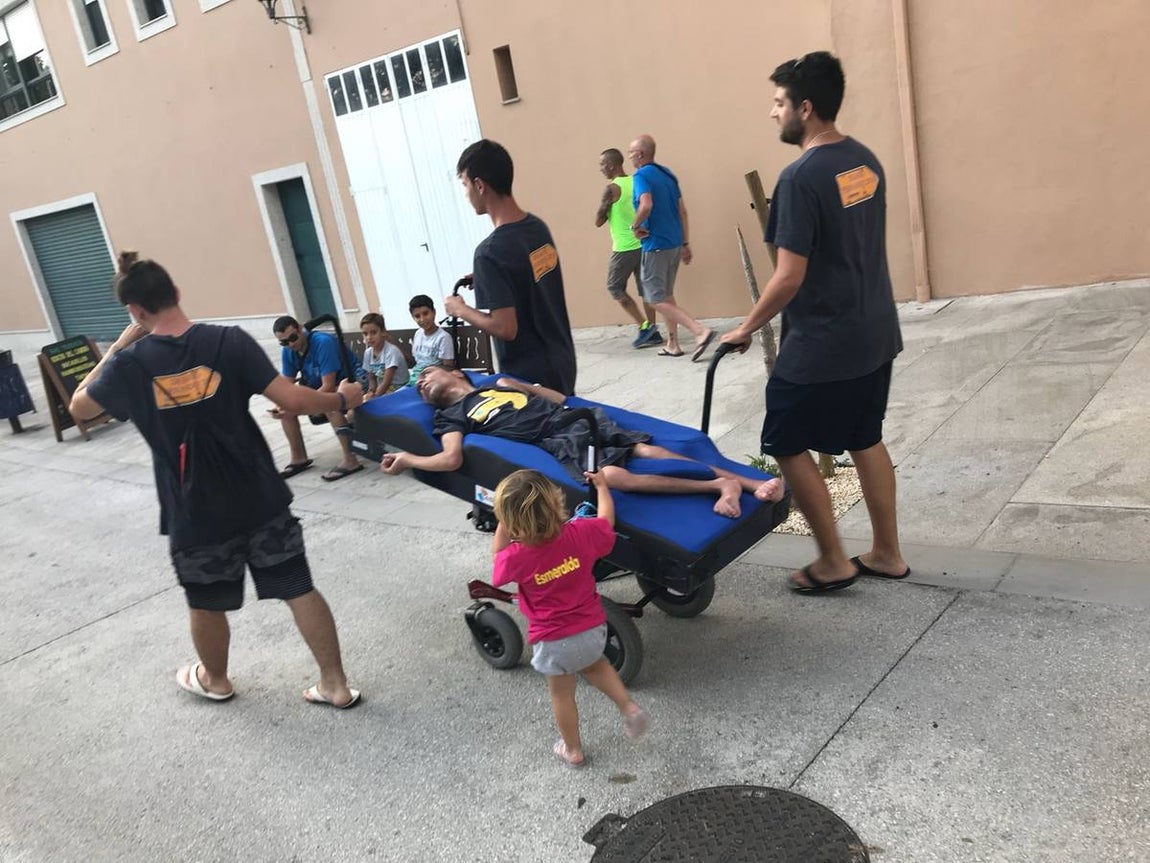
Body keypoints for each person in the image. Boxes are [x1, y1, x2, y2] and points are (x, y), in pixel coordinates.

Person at [69, 252, 362, 708]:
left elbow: (79, 407)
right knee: (296, 585)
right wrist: (340, 395)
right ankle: (335, 683)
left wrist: (115, 348)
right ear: (176, 294)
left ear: (136, 312)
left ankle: (215, 679)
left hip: (195, 509)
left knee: (205, 601)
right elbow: (294, 399)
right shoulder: (230, 342)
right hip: (259, 496)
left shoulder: (130, 366)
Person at [720, 51, 909, 594]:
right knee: (864, 436)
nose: (772, 113)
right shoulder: (863, 161)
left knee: (783, 437)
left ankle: (832, 560)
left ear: (806, 107)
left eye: (779, 102)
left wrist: (746, 327)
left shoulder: (800, 179)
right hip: (875, 328)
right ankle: (888, 553)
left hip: (825, 340)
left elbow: (788, 276)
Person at [380, 366, 784, 519]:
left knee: (648, 450)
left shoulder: (500, 383)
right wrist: (409, 459)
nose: (421, 383)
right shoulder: (449, 417)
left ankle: (746, 482)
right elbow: (451, 460)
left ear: (454, 373)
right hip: (556, 438)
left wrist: (525, 385)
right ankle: (719, 485)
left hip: (573, 419)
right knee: (609, 477)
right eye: (418, 385)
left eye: (426, 375)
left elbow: (559, 399)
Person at [492, 469, 648, 767]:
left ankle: (573, 749)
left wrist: (503, 524)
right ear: (556, 504)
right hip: (592, 629)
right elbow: (606, 522)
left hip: (553, 641)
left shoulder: (516, 557)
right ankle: (629, 708)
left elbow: (497, 566)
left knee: (562, 695)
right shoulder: (580, 534)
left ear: (512, 523)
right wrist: (602, 487)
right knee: (598, 667)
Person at [446, 139, 578, 395]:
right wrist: (489, 280)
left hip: (529, 377)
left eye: (465, 185)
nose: (466, 194)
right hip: (562, 360)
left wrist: (460, 309)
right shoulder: (537, 228)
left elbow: (505, 328)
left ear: (479, 185)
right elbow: (531, 273)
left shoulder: (489, 252)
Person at [628, 134, 716, 361]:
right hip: (674, 243)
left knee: (654, 299)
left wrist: (635, 225)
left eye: (631, 152)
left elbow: (646, 204)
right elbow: (682, 211)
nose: (629, 157)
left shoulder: (640, 176)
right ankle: (673, 344)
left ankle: (699, 331)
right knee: (666, 295)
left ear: (640, 154)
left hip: (655, 244)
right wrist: (685, 243)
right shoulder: (668, 175)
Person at [272, 315, 365, 482]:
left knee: (330, 403)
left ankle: (351, 460)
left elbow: (328, 385)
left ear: (300, 329)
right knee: (285, 408)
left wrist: (306, 405)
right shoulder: (289, 351)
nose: (290, 344)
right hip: (324, 387)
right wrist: (282, 405)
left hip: (353, 384)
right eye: (284, 342)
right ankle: (298, 457)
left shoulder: (323, 342)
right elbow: (286, 387)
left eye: (293, 338)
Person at [595, 147, 662, 349]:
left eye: (601, 165)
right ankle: (652, 328)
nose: (600, 169)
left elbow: (598, 220)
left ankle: (644, 326)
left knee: (614, 287)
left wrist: (605, 209)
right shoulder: (636, 181)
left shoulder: (612, 189)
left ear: (611, 165)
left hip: (624, 248)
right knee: (646, 290)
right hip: (643, 243)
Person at [406, 294, 456, 385]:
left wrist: (427, 374)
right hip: (416, 378)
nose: (422, 319)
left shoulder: (443, 337)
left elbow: (448, 367)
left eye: (425, 313)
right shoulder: (418, 334)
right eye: (417, 316)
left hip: (434, 379)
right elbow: (417, 362)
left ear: (434, 312)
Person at [360, 313, 409, 396]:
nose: (369, 337)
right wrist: (371, 391)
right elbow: (372, 378)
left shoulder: (391, 351)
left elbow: (386, 382)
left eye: (373, 332)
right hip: (383, 390)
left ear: (383, 332)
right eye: (365, 334)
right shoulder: (368, 353)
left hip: (399, 389)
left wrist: (374, 398)